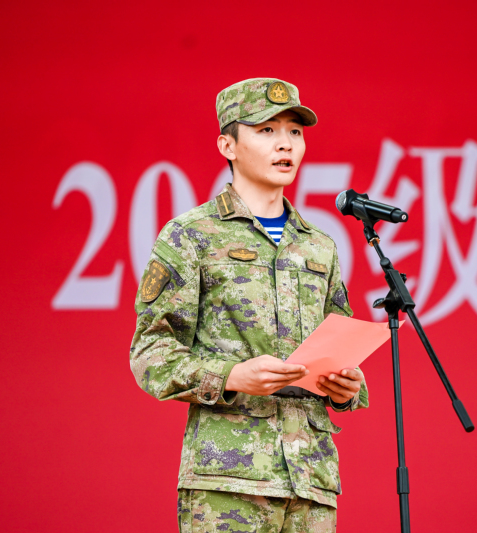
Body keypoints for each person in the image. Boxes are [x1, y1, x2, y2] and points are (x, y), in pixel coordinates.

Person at [130, 77, 369, 532]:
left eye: (295, 132)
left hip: (311, 482)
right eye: (266, 131)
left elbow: (338, 342)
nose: (286, 144)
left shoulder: (319, 246)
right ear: (228, 145)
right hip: (229, 481)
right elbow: (150, 352)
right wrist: (232, 376)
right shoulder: (191, 235)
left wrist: (347, 386)